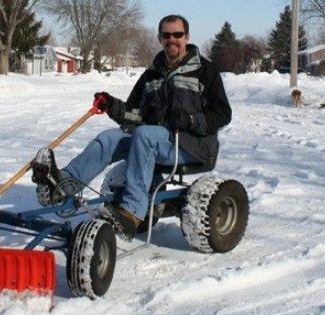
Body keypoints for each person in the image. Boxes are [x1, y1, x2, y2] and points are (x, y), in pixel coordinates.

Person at [31, 15, 232, 240]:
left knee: (145, 134)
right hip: (154, 140)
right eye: (166, 35)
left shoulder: (205, 71)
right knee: (109, 138)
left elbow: (223, 114)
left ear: (187, 37)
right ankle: (61, 186)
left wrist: (191, 121)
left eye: (177, 34)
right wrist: (112, 105)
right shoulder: (151, 74)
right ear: (159, 38)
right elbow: (135, 114)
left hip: (191, 145)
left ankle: (133, 211)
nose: (172, 39)